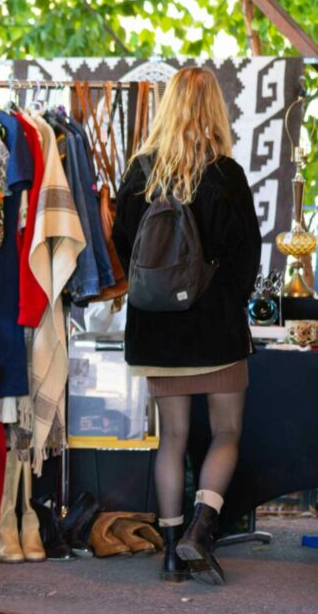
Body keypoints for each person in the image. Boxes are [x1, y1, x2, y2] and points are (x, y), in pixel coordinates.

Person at [112, 66, 260, 586]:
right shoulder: (225, 174)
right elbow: (247, 262)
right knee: (226, 431)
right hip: (215, 331)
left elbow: (125, 251)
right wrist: (222, 301)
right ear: (214, 109)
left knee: (171, 437)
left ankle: (172, 554)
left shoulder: (138, 174)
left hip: (156, 331)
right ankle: (203, 525)